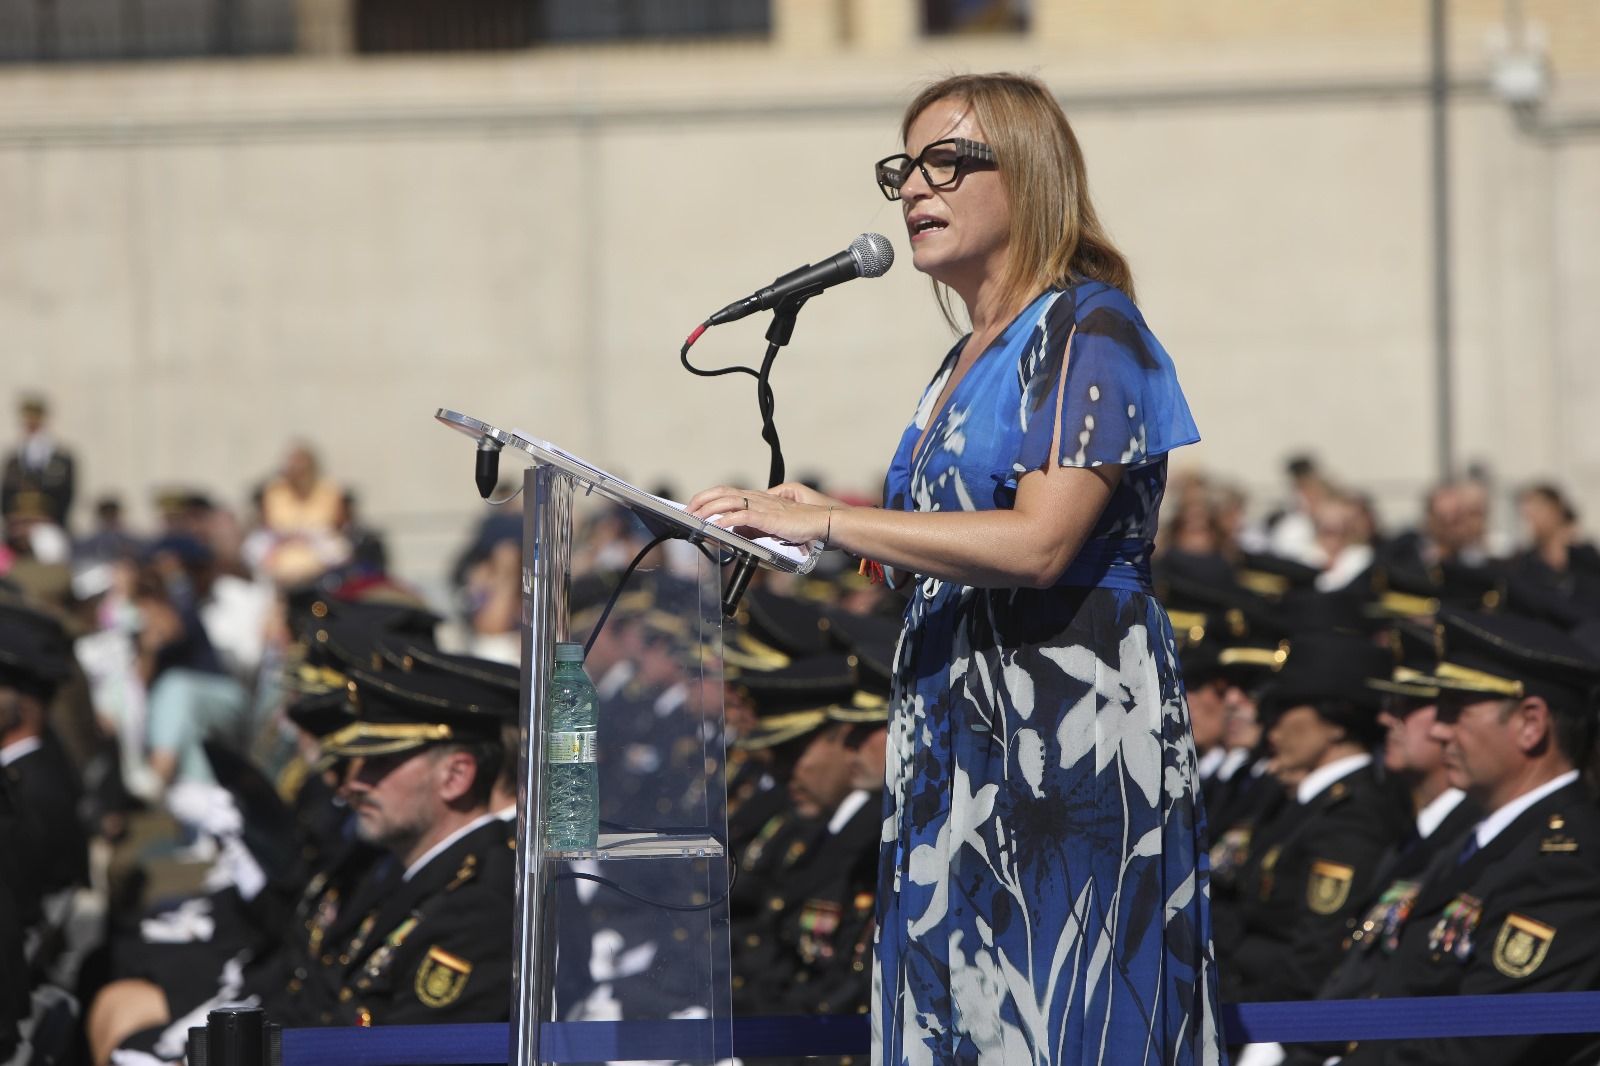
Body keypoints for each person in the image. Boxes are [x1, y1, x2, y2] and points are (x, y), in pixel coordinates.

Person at [690, 72, 1223, 1065]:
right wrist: (795, 528)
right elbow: (923, 550)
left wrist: (838, 520)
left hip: (1062, 747)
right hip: (953, 735)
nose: (911, 189)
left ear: (1027, 175)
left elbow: (1038, 543)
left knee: (1065, 1015)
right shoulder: (959, 360)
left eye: (945, 163)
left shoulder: (1089, 327)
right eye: (902, 168)